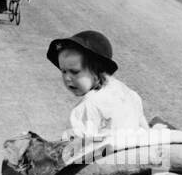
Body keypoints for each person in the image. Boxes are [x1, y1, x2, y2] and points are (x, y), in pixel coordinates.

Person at [46, 30, 149, 165]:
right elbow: (145, 128)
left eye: (74, 72)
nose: (67, 78)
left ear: (96, 69)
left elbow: (74, 150)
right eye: (63, 71)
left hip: (110, 162)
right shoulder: (129, 93)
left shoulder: (88, 106)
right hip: (136, 154)